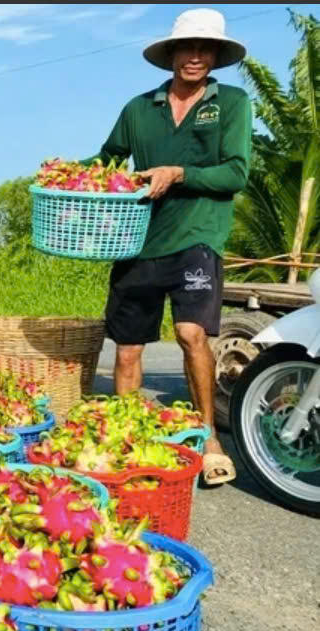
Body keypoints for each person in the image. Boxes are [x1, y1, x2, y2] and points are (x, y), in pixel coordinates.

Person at [90, 8, 252, 486]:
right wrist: (59, 170)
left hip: (198, 235)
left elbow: (236, 173)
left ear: (216, 55)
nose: (196, 56)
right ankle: (125, 436)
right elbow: (106, 161)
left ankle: (208, 438)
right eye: (187, 47)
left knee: (191, 334)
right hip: (138, 240)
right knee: (126, 351)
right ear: (172, 54)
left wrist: (178, 173)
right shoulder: (140, 109)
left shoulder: (232, 104)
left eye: (206, 49)